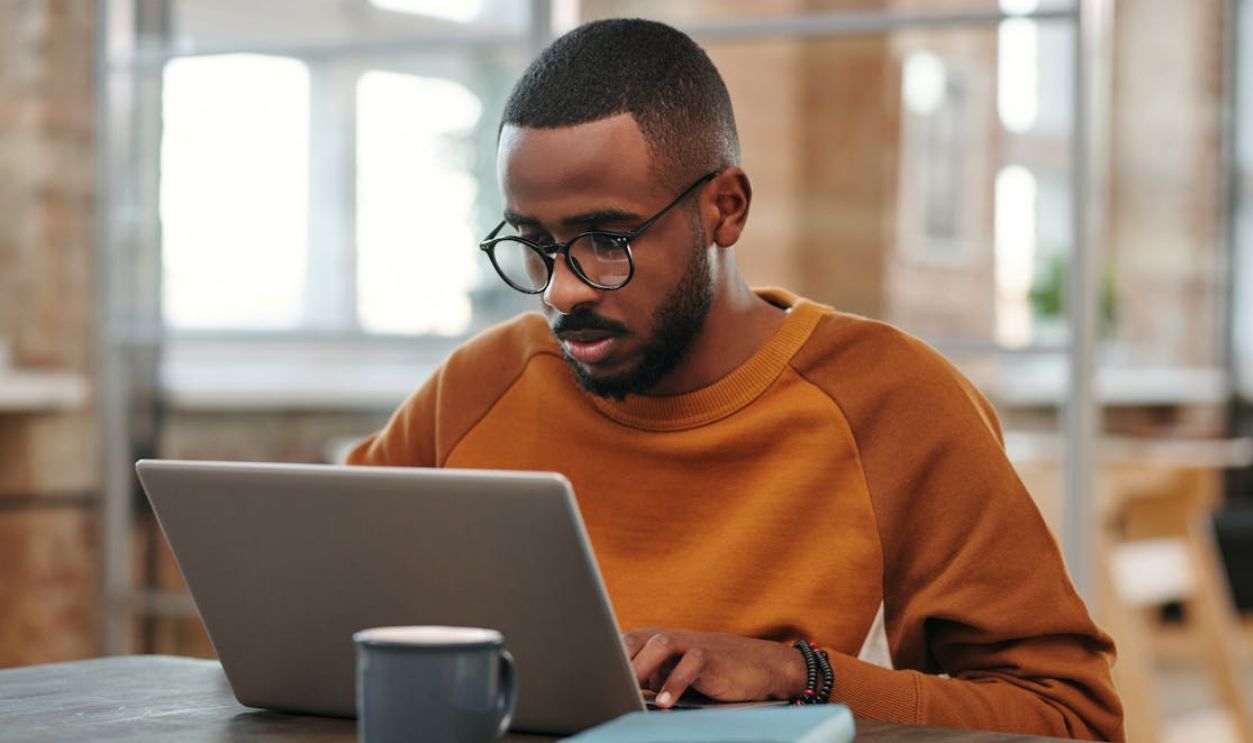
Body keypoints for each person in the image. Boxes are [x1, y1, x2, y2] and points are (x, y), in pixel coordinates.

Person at [348, 17, 1124, 741]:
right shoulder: (481, 382)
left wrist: (800, 673)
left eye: (604, 239)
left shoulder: (891, 399)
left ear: (726, 207)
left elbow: (1068, 717)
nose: (561, 290)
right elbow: (318, 598)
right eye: (535, 243)